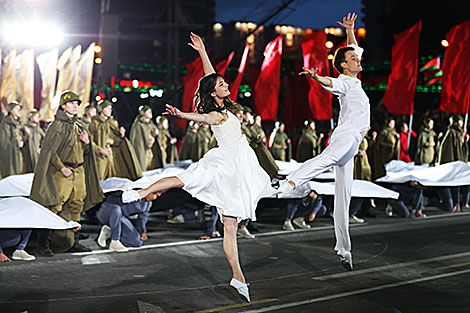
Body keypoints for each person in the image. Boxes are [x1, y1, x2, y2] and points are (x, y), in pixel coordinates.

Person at [122, 32, 273, 302]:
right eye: (222, 84)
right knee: (184, 180)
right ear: (214, 92)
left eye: (225, 82)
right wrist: (181, 115)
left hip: (240, 163)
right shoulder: (215, 113)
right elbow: (202, 116)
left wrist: (203, 51)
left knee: (230, 225)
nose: (226, 85)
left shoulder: (224, 105)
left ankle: (238, 277)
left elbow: (210, 77)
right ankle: (141, 191)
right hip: (225, 163)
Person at [278, 13, 369, 271]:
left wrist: (350, 31)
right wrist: (318, 79)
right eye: (352, 59)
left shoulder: (355, 82)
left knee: (344, 197)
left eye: (357, 57)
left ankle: (344, 250)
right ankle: (292, 182)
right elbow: (332, 83)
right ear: (342, 66)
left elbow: (353, 52)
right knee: (326, 159)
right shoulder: (344, 82)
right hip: (347, 137)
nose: (357, 59)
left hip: (353, 145)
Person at [30, 91, 104, 256]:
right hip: (63, 171)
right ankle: (44, 244)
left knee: (76, 205)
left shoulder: (78, 125)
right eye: (72, 103)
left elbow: (83, 151)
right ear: (63, 106)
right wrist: (61, 167)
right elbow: (49, 151)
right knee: (54, 206)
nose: (75, 106)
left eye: (77, 103)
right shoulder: (57, 125)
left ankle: (73, 242)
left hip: (79, 170)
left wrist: (86, 143)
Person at [89, 99, 141, 180]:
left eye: (111, 108)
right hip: (99, 157)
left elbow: (115, 140)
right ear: (101, 109)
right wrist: (99, 150)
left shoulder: (112, 123)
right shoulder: (94, 123)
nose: (110, 110)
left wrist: (121, 134)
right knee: (99, 180)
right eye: (107, 108)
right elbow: (89, 141)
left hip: (111, 156)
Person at [129, 105, 161, 171]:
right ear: (143, 113)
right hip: (144, 152)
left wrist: (155, 134)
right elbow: (137, 141)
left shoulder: (151, 124)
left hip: (151, 152)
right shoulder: (138, 125)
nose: (150, 112)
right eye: (148, 111)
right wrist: (147, 141)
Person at [0, 101, 25, 178]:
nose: (19, 110)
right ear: (11, 110)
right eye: (16, 108)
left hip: (18, 152)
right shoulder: (5, 123)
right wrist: (16, 142)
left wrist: (25, 136)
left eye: (19, 109)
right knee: (11, 172)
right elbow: (4, 141)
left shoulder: (18, 123)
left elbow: (21, 136)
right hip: (10, 154)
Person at [22, 109, 45, 173]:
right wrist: (27, 135)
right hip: (27, 155)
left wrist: (41, 148)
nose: (38, 117)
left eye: (39, 116)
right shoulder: (24, 127)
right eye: (36, 116)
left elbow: (45, 139)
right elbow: (22, 141)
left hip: (37, 155)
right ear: (31, 118)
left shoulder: (38, 129)